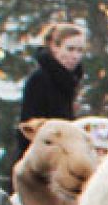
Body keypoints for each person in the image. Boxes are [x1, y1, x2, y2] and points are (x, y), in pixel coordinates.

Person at [15, 21, 86, 163]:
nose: (75, 56)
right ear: (55, 47)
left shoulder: (69, 81)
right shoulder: (40, 79)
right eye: (70, 49)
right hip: (41, 162)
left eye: (79, 50)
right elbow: (30, 127)